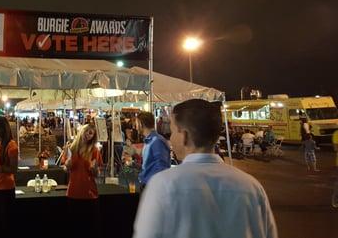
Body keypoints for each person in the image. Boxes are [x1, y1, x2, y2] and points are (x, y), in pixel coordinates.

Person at [133, 99, 278, 238]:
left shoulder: (163, 185)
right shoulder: (252, 186)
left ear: (184, 136)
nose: (170, 138)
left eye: (172, 131)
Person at [62, 123, 103, 238]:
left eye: (91, 133)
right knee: (74, 228)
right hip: (73, 192)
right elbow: (65, 169)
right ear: (82, 131)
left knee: (89, 229)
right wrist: (67, 165)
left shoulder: (94, 151)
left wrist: (94, 169)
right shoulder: (71, 148)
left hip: (89, 193)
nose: (88, 135)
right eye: (86, 131)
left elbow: (97, 174)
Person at [138, 112, 170, 185]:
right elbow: (150, 163)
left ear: (141, 124)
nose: (135, 126)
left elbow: (161, 168)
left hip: (152, 185)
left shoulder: (156, 141)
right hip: (147, 183)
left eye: (136, 123)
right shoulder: (149, 140)